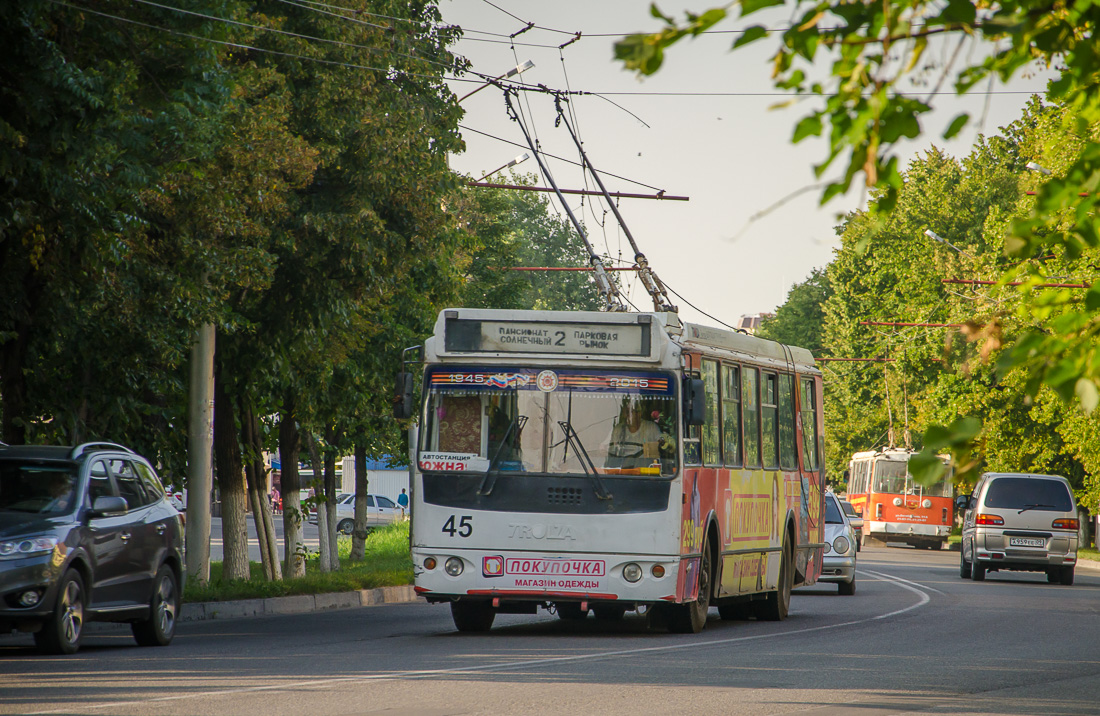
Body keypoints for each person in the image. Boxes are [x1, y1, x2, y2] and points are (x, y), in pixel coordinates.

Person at [606, 401, 662, 469]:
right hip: (622, 472)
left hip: (646, 472)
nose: (626, 416)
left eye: (629, 412)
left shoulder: (651, 428)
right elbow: (607, 448)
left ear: (639, 414)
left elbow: (661, 445)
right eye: (624, 412)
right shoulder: (618, 429)